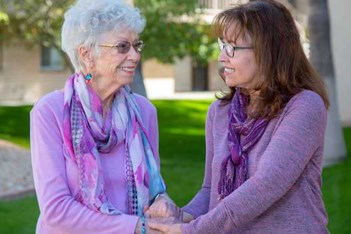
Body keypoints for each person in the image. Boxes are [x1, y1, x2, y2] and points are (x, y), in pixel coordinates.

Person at [147, 0, 330, 233]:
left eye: (232, 47)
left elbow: (266, 185)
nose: (222, 57)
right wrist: (178, 216)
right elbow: (210, 191)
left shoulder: (304, 106)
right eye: (222, 45)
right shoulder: (220, 112)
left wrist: (192, 230)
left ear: (268, 52)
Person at [30, 0, 170, 233]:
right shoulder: (49, 112)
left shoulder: (144, 112)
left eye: (137, 45)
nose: (135, 56)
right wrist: (134, 227)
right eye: (123, 46)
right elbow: (55, 209)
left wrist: (162, 202)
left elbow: (154, 189)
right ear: (87, 55)